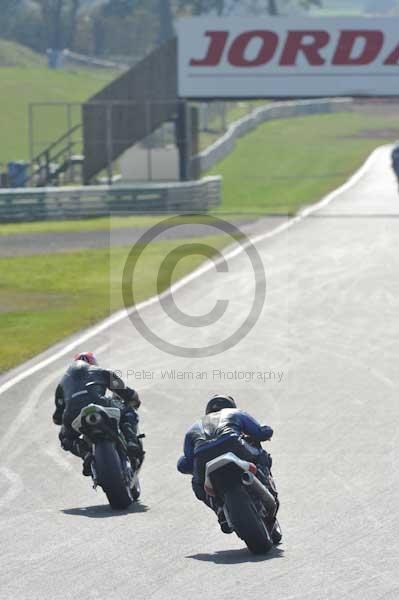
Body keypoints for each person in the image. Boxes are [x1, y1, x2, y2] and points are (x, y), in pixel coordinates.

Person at [177, 394, 278, 534]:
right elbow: (260, 432)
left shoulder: (192, 428)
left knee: (197, 483)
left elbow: (185, 464)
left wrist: (188, 466)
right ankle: (268, 488)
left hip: (203, 457)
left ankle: (219, 509)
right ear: (231, 405)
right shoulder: (235, 413)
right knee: (261, 455)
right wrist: (266, 431)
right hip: (234, 445)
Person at [53, 352, 144, 475]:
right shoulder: (101, 371)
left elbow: (57, 418)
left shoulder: (62, 383)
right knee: (128, 410)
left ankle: (85, 454)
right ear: (93, 362)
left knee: (65, 437)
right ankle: (131, 441)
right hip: (100, 403)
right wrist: (133, 400)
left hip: (73, 413)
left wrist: (63, 419)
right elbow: (127, 393)